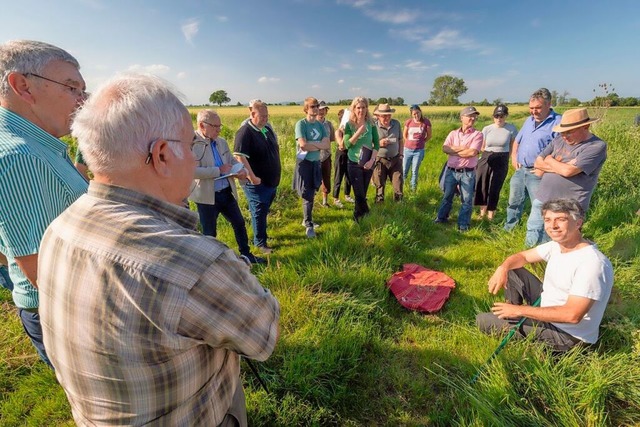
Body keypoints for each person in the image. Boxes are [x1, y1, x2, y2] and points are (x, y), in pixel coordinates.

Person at [39, 74, 280, 426]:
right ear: (163, 155)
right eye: (190, 141)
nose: (195, 149)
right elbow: (264, 335)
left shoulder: (60, 226)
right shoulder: (195, 262)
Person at [0, 40, 88, 367]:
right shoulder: (21, 156)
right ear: (22, 86)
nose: (82, 100)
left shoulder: (37, 145)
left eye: (83, 90)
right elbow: (45, 273)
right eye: (71, 87)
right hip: (67, 312)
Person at [477, 198, 613, 352]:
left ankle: (516, 324)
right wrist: (503, 267)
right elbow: (524, 257)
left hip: (568, 335)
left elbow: (572, 315)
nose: (553, 226)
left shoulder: (592, 263)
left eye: (561, 220)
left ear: (578, 223)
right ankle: (511, 318)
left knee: (483, 321)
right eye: (548, 220)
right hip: (549, 306)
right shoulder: (557, 245)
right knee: (512, 269)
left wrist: (519, 310)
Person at [190, 109, 265, 264]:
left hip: (226, 191)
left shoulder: (221, 142)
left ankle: (247, 255)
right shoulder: (192, 143)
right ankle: (210, 263)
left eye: (220, 126)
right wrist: (218, 171)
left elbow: (231, 160)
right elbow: (192, 171)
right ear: (202, 125)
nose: (219, 129)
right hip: (206, 196)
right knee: (209, 232)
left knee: (239, 223)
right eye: (215, 126)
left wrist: (241, 170)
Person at [525, 108, 607, 246]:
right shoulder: (559, 140)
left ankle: (555, 265)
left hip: (569, 204)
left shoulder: (596, 146)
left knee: (561, 238)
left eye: (569, 132)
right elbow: (538, 162)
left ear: (585, 127)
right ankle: (530, 261)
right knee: (534, 229)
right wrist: (560, 166)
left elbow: (568, 172)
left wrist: (550, 160)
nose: (564, 136)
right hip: (544, 197)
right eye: (562, 132)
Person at [504, 88, 562, 232]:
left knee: (540, 206)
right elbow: (517, 141)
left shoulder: (557, 122)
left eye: (538, 108)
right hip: (520, 169)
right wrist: (513, 157)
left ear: (549, 104)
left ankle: (542, 235)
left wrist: (544, 168)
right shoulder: (528, 121)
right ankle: (510, 228)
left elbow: (560, 149)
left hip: (538, 173)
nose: (534, 111)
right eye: (531, 108)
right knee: (513, 202)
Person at [234, 101, 282, 254]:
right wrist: (252, 177)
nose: (265, 119)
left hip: (270, 181)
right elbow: (239, 156)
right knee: (259, 211)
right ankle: (260, 243)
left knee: (264, 210)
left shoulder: (266, 129)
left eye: (267, 116)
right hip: (256, 183)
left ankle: (262, 236)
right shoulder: (245, 132)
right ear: (252, 114)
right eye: (262, 116)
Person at [435, 106, 483, 231]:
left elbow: (472, 152)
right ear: (462, 118)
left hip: (467, 173)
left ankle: (463, 224)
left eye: (474, 116)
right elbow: (445, 148)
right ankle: (441, 218)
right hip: (451, 171)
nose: (473, 118)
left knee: (466, 200)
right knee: (447, 197)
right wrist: (463, 148)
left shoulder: (478, 134)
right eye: (470, 116)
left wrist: (454, 150)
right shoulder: (453, 133)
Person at [293, 97, 330, 238]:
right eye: (312, 106)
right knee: (307, 194)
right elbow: (302, 145)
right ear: (306, 109)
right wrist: (318, 144)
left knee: (313, 192)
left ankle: (306, 218)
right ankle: (308, 225)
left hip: (316, 163)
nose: (316, 109)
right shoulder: (301, 124)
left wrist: (312, 145)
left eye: (317, 106)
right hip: (305, 163)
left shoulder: (320, 125)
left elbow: (327, 144)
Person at [474, 104, 518, 220]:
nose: (499, 119)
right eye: (496, 116)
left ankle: (491, 214)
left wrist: (508, 158)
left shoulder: (511, 129)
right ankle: (482, 212)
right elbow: (482, 146)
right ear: (493, 116)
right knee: (482, 185)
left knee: (495, 186)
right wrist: (489, 154)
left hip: (502, 158)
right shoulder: (487, 129)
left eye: (502, 116)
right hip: (487, 156)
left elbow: (513, 146)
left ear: (506, 116)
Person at [343, 96, 379, 221]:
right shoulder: (349, 125)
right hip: (353, 162)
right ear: (354, 109)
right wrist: (358, 132)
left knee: (362, 192)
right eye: (358, 107)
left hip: (368, 163)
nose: (361, 110)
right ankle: (367, 213)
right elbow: (347, 144)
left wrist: (372, 160)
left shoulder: (371, 124)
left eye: (363, 107)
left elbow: (377, 144)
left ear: (366, 108)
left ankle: (357, 215)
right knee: (358, 193)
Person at [372, 103, 404, 203]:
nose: (386, 118)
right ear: (378, 116)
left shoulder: (396, 124)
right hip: (380, 159)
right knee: (380, 183)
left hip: (395, 158)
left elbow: (401, 140)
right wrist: (379, 143)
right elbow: (368, 144)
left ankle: (398, 205)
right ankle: (379, 206)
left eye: (388, 115)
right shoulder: (373, 126)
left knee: (398, 182)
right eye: (384, 116)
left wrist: (401, 154)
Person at [403, 104, 432, 191]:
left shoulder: (426, 122)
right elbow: (404, 135)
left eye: (418, 113)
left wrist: (422, 142)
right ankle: (401, 188)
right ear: (411, 114)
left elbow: (429, 135)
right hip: (407, 150)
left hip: (418, 151)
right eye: (414, 114)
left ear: (420, 112)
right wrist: (408, 142)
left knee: (414, 171)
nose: (416, 115)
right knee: (404, 170)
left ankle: (413, 189)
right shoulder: (408, 122)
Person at [332, 108, 353, 207]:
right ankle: (335, 198)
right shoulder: (338, 132)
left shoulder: (350, 131)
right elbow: (342, 145)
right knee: (338, 176)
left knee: (349, 176)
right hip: (341, 155)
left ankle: (347, 195)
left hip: (350, 154)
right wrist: (345, 133)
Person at [317, 100, 335, 207]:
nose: (321, 112)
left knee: (326, 178)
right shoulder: (311, 125)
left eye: (323, 109)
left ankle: (325, 201)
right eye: (319, 109)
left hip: (326, 155)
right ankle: (311, 202)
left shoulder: (329, 125)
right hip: (314, 157)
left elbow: (331, 139)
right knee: (313, 179)